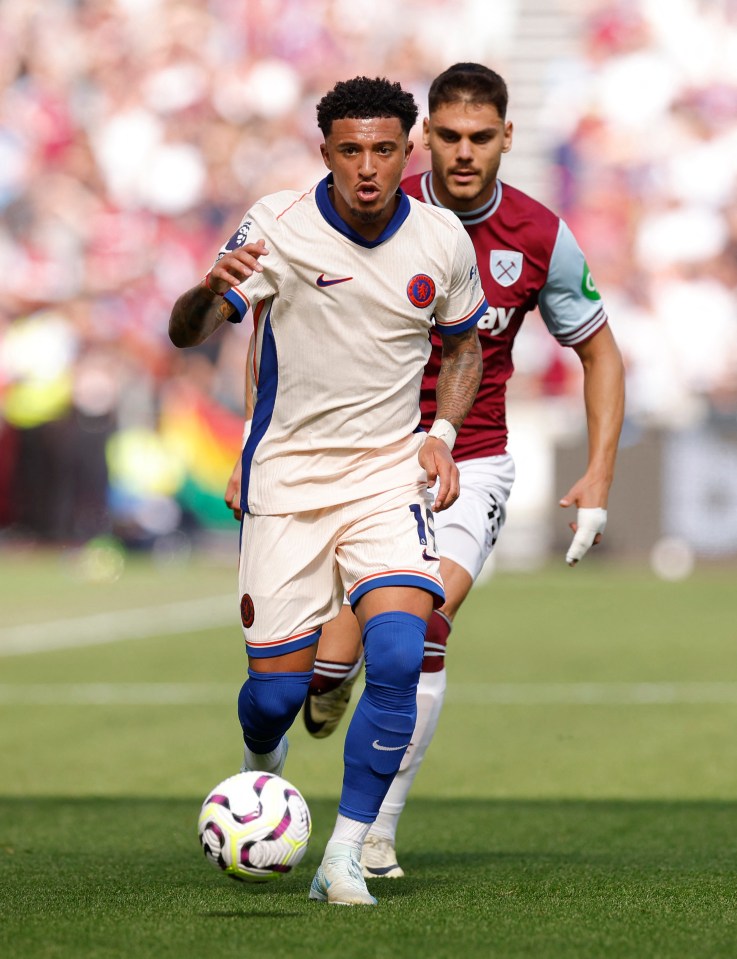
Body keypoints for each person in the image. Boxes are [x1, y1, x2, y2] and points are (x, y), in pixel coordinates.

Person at [227, 62, 625, 880]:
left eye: (480, 137)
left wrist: (598, 475)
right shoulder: (370, 202)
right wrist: (249, 441)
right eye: (446, 136)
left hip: (466, 460)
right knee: (317, 673)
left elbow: (598, 350)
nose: (463, 153)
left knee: (420, 632)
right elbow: (271, 327)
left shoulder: (540, 235)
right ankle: (323, 689)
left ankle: (371, 832)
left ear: (507, 138)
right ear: (423, 139)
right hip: (347, 462)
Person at [169, 75, 485, 906]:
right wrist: (208, 289)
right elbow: (186, 333)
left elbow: (461, 350)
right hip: (288, 481)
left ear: (407, 151)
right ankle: (260, 775)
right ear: (326, 154)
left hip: (386, 477)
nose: (368, 167)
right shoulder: (277, 224)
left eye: (384, 149)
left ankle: (345, 855)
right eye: (350, 151)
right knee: (273, 694)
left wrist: (442, 438)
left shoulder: (442, 239)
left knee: (394, 653)